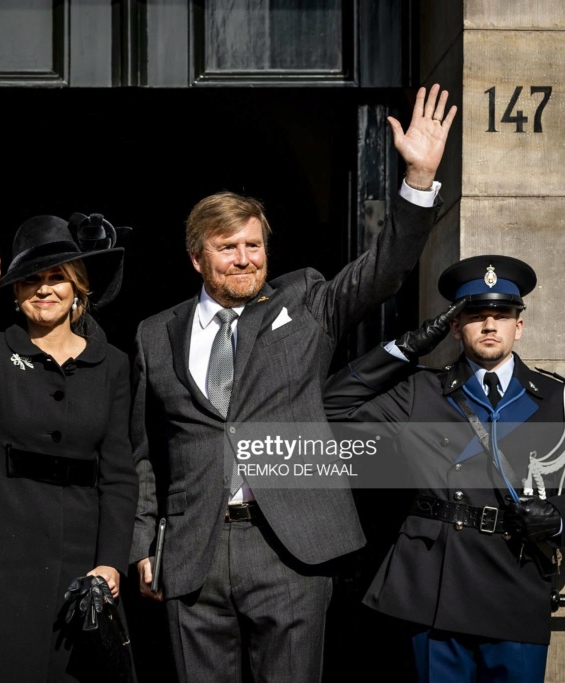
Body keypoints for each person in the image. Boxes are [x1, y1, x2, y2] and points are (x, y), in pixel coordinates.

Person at [128, 84, 457, 683]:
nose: (245, 258)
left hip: (291, 549)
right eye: (228, 248)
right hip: (193, 553)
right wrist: (144, 543)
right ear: (197, 259)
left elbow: (383, 271)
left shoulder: (306, 301)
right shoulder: (155, 335)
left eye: (254, 245)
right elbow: (147, 451)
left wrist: (418, 180)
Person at [323, 255, 565, 682]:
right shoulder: (421, 391)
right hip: (437, 588)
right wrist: (408, 346)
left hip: (517, 582)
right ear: (455, 327)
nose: (490, 325)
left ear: (519, 325)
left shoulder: (558, 398)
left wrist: (556, 519)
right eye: (476, 316)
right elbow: (332, 406)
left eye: (502, 315)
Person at [0, 212, 139, 682]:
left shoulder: (114, 365)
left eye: (57, 278)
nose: (44, 289)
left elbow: (120, 474)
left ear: (78, 288)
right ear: (17, 294)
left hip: (82, 559)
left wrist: (110, 560)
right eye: (31, 280)